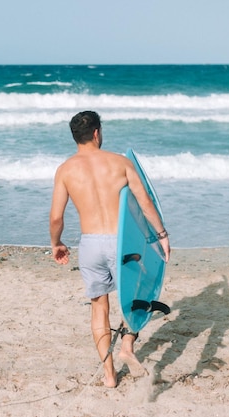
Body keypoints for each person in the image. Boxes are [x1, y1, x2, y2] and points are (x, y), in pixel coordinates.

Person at [49, 110, 170, 388]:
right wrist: (161, 235)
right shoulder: (120, 163)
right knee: (139, 295)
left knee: (98, 308)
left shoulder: (65, 170)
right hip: (122, 242)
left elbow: (56, 217)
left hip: (90, 244)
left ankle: (109, 376)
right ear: (96, 133)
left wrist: (56, 243)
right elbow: (145, 203)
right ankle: (127, 344)